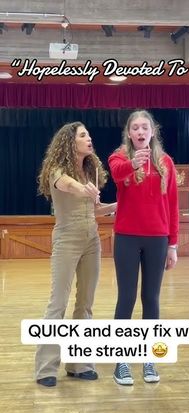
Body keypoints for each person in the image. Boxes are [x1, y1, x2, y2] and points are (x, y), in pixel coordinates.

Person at [35, 121, 116, 387]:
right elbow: (68, 186)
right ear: (71, 142)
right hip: (66, 239)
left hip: (91, 239)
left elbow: (94, 210)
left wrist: (119, 204)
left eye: (89, 134)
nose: (89, 138)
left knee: (85, 304)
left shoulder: (90, 172)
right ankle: (46, 368)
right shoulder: (58, 171)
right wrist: (84, 189)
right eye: (83, 135)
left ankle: (79, 364)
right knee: (57, 304)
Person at [108, 110, 179, 386]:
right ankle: (121, 361)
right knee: (126, 298)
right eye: (135, 128)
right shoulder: (119, 157)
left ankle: (149, 357)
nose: (140, 132)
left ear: (152, 132)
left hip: (157, 238)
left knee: (151, 298)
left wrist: (172, 244)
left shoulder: (166, 162)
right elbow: (116, 174)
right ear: (129, 133)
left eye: (144, 127)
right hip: (126, 236)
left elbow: (172, 205)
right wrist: (133, 165)